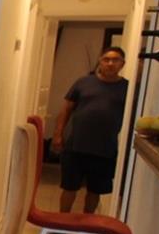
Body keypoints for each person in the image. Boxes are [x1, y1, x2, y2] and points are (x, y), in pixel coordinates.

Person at [50, 45, 129, 219]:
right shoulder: (83, 82)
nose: (110, 63)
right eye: (106, 59)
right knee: (69, 187)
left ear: (122, 64)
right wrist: (57, 134)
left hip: (105, 149)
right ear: (100, 62)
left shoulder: (127, 88)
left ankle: (87, 224)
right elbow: (66, 110)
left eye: (115, 60)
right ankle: (62, 222)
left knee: (95, 190)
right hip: (76, 146)